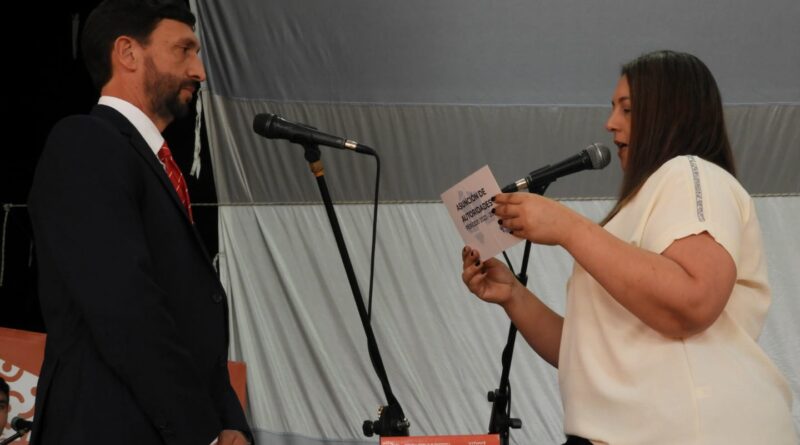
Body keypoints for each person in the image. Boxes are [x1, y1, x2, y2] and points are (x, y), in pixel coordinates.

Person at [461, 50, 796, 444]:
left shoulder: (691, 172)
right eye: (613, 108)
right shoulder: (639, 206)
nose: (610, 123)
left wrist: (568, 227)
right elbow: (589, 354)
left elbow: (694, 299)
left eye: (628, 109)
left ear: (670, 115)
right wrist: (513, 296)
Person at [28, 1, 251, 444]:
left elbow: (190, 319)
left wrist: (231, 423)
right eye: (184, 50)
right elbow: (127, 308)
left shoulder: (156, 166)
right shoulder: (86, 142)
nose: (200, 71)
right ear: (128, 53)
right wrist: (203, 434)